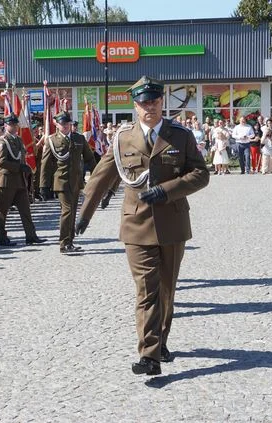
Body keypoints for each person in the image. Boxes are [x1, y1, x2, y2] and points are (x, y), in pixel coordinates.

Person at [75, 76, 210, 376]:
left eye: (154, 101)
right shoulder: (123, 138)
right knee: (146, 290)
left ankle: (160, 340)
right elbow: (101, 177)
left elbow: (201, 175)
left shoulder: (180, 136)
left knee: (166, 290)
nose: (149, 107)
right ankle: (149, 355)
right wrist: (84, 215)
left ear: (162, 102)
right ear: (135, 106)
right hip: (136, 224)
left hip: (173, 223)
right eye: (143, 103)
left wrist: (166, 190)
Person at [40, 111, 96, 253]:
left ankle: (70, 241)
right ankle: (64, 243)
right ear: (57, 124)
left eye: (67, 123)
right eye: (62, 124)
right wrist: (43, 185)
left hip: (76, 182)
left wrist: (96, 176)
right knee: (67, 211)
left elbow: (90, 158)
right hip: (61, 181)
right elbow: (45, 165)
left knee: (72, 212)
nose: (65, 126)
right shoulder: (52, 140)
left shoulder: (79, 139)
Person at [0, 114, 45, 246]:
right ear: (5, 126)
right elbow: (2, 162)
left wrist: (24, 169)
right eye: (11, 124)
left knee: (25, 210)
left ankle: (31, 236)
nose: (15, 127)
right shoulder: (2, 141)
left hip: (19, 181)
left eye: (15, 124)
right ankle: (2, 237)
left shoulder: (18, 140)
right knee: (2, 211)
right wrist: (19, 167)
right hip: (6, 181)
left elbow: (21, 157)